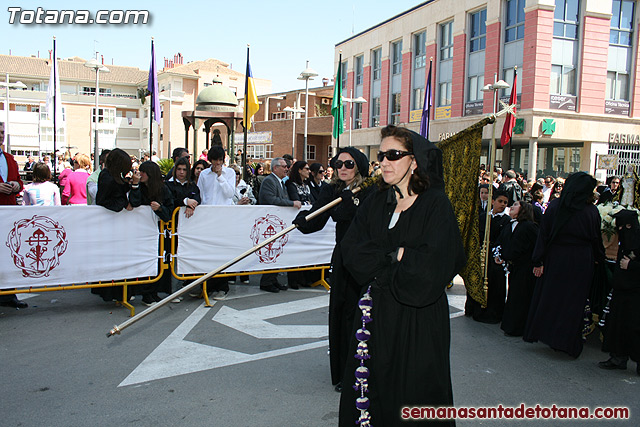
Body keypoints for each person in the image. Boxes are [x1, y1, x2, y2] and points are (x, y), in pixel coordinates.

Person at [337, 125, 465, 426]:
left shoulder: (435, 204)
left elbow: (437, 264)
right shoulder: (376, 202)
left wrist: (386, 258)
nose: (384, 161)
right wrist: (397, 254)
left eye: (393, 155)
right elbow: (352, 251)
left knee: (414, 395)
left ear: (415, 160)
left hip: (417, 321)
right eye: (381, 155)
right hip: (374, 317)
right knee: (372, 393)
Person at [293, 146, 375, 391]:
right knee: (341, 312)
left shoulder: (371, 189)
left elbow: (369, 222)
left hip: (367, 260)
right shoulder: (331, 189)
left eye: (349, 164)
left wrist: (352, 204)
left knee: (361, 314)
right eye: (338, 164)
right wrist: (303, 221)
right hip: (343, 258)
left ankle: (365, 370)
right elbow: (318, 218)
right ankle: (343, 372)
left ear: (359, 166)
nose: (343, 168)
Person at [524, 172, 605, 358]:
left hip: (557, 258)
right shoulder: (591, 211)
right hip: (581, 261)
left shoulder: (555, 207)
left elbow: (544, 235)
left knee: (554, 298)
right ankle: (568, 341)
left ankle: (551, 336)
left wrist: (539, 260)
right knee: (573, 302)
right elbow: (596, 239)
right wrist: (599, 258)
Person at [599, 209, 640, 376]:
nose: (619, 231)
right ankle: (618, 357)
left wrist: (631, 266)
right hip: (622, 291)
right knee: (618, 325)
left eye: (622, 227)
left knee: (635, 328)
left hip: (636, 294)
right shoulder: (627, 240)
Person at [129, 161, 174, 306]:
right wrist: (135, 185)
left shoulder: (163, 189)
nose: (140, 174)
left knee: (157, 262)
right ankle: (145, 293)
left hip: (158, 233)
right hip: (140, 233)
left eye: (143, 172)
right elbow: (134, 203)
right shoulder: (138, 187)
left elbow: (170, 212)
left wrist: (160, 209)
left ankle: (152, 292)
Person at [196, 146, 236, 300]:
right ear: (210, 160)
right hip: (207, 217)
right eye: (215, 160)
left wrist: (220, 177)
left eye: (220, 160)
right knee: (207, 252)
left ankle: (222, 287)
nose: (218, 163)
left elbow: (230, 193)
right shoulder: (204, 174)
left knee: (222, 253)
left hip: (223, 217)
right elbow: (200, 193)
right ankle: (206, 285)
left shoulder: (230, 173)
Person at [495, 201, 539, 336]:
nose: (511, 207)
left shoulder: (530, 227)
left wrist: (538, 263)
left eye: (515, 205)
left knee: (520, 297)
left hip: (526, 268)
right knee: (514, 296)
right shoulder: (509, 225)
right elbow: (502, 242)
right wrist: (500, 255)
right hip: (513, 267)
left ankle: (518, 327)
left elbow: (537, 246)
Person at [258, 157, 302, 293]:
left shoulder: (280, 182)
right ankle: (266, 281)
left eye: (287, 166)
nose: (286, 169)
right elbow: (270, 199)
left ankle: (272, 279)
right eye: (283, 166)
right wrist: (291, 203)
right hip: (270, 222)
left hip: (278, 222)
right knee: (271, 250)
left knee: (277, 250)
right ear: (275, 168)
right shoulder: (269, 181)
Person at [470, 190, 511, 323]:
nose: (503, 205)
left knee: (495, 285)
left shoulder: (506, 220)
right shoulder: (483, 217)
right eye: (500, 201)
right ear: (493, 201)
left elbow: (503, 239)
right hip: (482, 254)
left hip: (494, 257)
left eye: (505, 202)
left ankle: (493, 312)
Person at [0, 121, 27, 308]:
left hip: (8, 212)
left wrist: (17, 185)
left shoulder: (9, 158)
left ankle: (9, 294)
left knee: (9, 254)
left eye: (2, 132)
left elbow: (18, 180)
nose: (1, 135)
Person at [96, 148, 132, 212]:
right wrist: (123, 204)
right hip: (110, 214)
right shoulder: (107, 177)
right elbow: (102, 200)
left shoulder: (113, 175)